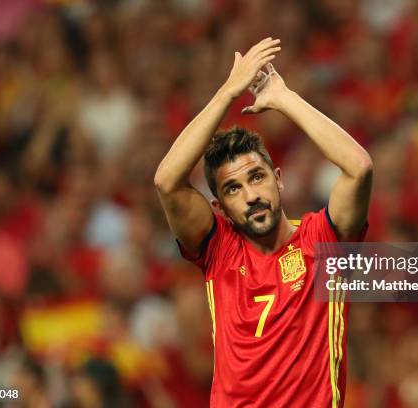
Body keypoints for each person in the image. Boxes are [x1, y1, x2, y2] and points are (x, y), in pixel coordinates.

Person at [154, 37, 372, 407]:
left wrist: (284, 99)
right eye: (233, 188)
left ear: (279, 179)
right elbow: (166, 181)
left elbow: (359, 167)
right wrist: (227, 93)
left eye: (257, 177)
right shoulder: (219, 249)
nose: (251, 195)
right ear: (219, 207)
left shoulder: (323, 242)